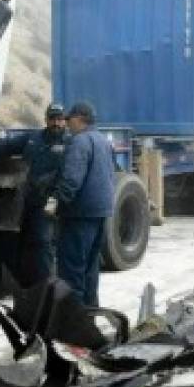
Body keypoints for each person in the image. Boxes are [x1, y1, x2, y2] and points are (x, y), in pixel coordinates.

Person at [0, 103, 66, 285]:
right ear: (46, 119)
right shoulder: (33, 138)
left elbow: (71, 176)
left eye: (59, 119)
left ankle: (46, 286)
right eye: (52, 118)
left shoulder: (69, 143)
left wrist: (55, 201)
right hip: (26, 200)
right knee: (15, 241)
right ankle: (24, 283)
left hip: (49, 202)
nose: (56, 123)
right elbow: (6, 146)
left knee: (42, 242)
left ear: (64, 121)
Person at [52, 100, 115, 307]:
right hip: (100, 212)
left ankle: (74, 323)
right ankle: (89, 315)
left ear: (79, 119)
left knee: (72, 270)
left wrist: (57, 202)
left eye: (70, 120)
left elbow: (72, 179)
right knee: (90, 267)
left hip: (79, 214)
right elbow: (110, 174)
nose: (67, 124)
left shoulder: (79, 141)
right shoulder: (103, 140)